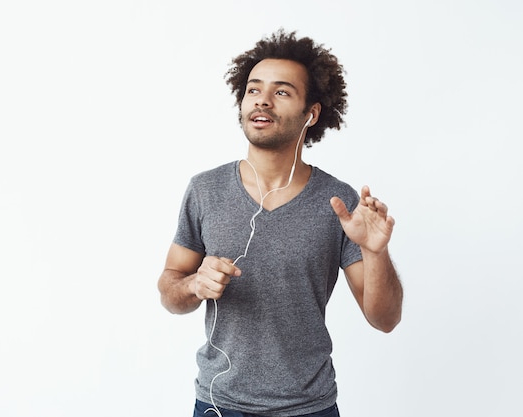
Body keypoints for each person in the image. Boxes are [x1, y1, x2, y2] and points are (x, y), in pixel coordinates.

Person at [157, 28, 403, 417]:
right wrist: (193, 284)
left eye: (282, 92)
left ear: (312, 114)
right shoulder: (205, 190)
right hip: (218, 405)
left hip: (309, 408)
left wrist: (376, 252)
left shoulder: (339, 203)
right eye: (254, 90)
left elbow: (384, 319)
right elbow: (169, 290)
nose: (263, 101)